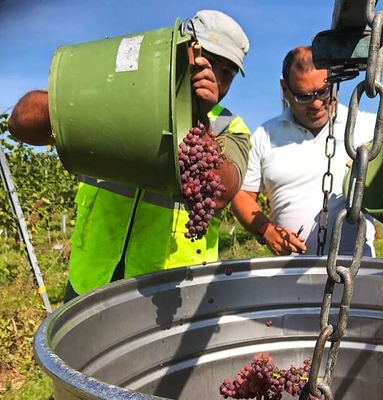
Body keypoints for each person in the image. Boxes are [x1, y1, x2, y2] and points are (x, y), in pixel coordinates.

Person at [8, 10, 252, 301]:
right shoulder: (122, 97)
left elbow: (219, 190)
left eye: (228, 72)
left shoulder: (229, 127)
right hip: (90, 282)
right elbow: (21, 124)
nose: (216, 78)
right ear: (186, 51)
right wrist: (94, 95)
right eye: (209, 61)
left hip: (169, 293)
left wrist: (198, 119)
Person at [231, 45, 383, 257]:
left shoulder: (366, 126)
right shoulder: (265, 135)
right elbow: (243, 195)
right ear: (285, 88)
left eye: (323, 91)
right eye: (303, 96)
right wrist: (265, 229)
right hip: (289, 273)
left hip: (354, 272)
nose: (315, 104)